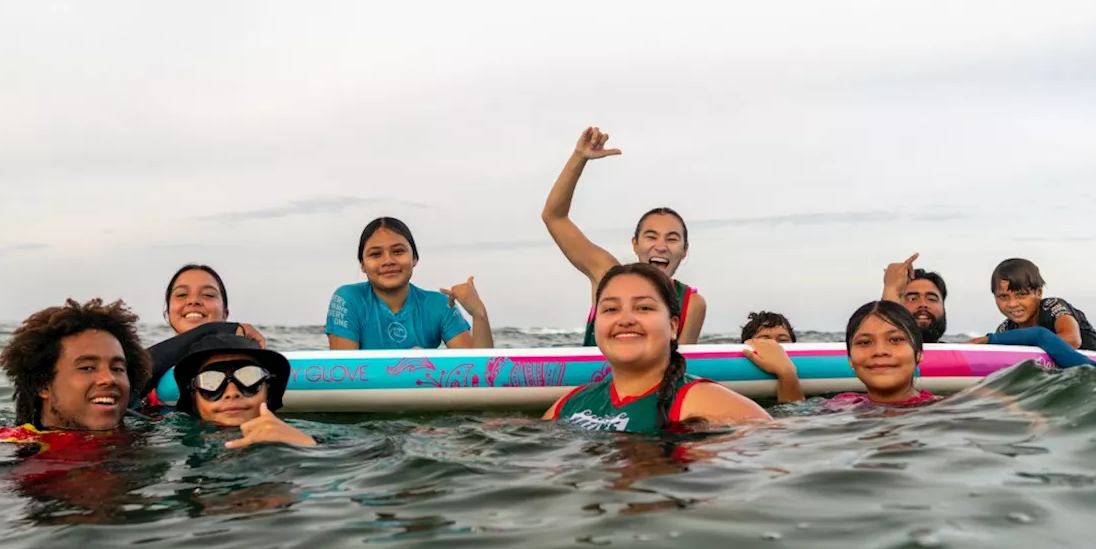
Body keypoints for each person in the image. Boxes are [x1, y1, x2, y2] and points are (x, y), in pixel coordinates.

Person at [543, 263, 770, 433]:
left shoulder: (703, 403)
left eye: (643, 307)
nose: (625, 319)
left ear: (673, 327)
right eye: (611, 309)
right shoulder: (568, 405)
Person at [541, 127, 706, 346]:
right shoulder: (606, 275)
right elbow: (554, 217)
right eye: (651, 237)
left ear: (685, 250)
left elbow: (684, 369)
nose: (661, 246)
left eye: (672, 239)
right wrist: (579, 158)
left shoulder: (691, 304)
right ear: (635, 244)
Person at [0, 298, 150, 449]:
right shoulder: (12, 444)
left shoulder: (148, 435)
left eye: (118, 368)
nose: (108, 378)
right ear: (43, 384)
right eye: (87, 367)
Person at [326, 217, 493, 350]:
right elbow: (345, 372)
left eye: (398, 251)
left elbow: (479, 373)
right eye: (376, 254)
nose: (388, 261)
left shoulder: (440, 305)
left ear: (414, 258)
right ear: (362, 264)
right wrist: (412, 364)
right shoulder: (348, 299)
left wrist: (479, 314)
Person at [142, 264, 267, 404]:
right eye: (181, 295)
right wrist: (214, 329)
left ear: (225, 314)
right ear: (168, 313)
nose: (193, 301)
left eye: (208, 295)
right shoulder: (140, 370)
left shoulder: (251, 365)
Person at [173, 333, 315, 448]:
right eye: (210, 381)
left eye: (249, 377)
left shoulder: (303, 434)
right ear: (193, 397)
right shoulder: (174, 440)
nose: (232, 392)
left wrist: (305, 444)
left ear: (268, 390)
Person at [988, 258, 1096, 353]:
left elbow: (1072, 341)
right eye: (1003, 296)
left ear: (1039, 293)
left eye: (1021, 295)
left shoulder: (1052, 307)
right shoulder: (1005, 329)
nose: (1012, 304)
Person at [832, 300, 939, 407]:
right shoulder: (838, 405)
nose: (880, 351)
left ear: (918, 353)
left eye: (895, 340)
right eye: (865, 342)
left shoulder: (941, 410)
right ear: (850, 358)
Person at [880, 253, 948, 344]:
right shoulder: (878, 355)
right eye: (912, 299)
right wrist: (890, 290)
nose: (923, 304)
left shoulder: (961, 354)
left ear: (943, 307)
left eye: (931, 299)